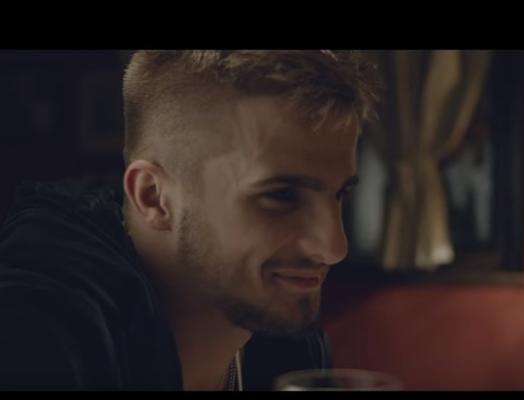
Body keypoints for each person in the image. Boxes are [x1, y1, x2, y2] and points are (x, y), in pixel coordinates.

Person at [0, 50, 378, 390]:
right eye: (281, 196)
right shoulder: (37, 336)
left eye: (339, 194)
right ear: (153, 197)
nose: (334, 247)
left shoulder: (285, 337)